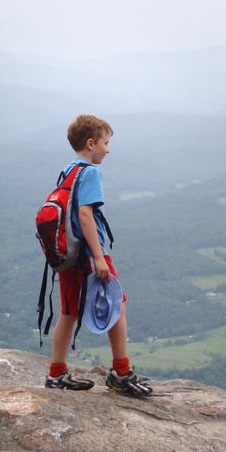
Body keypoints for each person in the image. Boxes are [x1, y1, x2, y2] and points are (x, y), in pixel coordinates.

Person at [45, 114, 152, 396]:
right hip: (89, 255)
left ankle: (56, 374)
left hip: (67, 256)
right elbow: (84, 213)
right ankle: (121, 371)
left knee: (68, 311)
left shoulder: (68, 169)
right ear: (91, 143)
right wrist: (99, 257)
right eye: (105, 143)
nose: (108, 149)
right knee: (118, 304)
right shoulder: (90, 172)